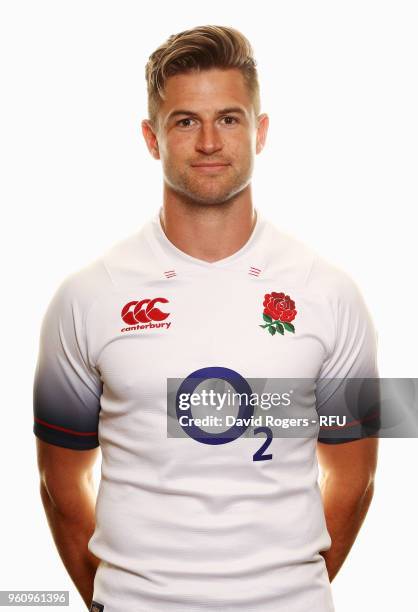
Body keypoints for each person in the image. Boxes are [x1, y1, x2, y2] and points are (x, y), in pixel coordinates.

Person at [33, 24, 379, 612]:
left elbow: (357, 477)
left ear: (260, 131)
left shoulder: (333, 292)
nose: (210, 142)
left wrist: (287, 592)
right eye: (186, 121)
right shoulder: (85, 296)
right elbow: (59, 480)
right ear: (151, 137)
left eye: (230, 118)